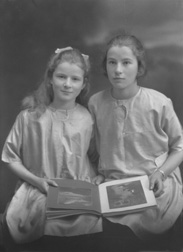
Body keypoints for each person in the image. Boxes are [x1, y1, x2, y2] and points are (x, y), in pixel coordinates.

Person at [1, 47, 103, 250]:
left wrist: (99, 175)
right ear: (50, 78)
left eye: (75, 79)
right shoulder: (30, 117)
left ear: (83, 84)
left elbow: (93, 156)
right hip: (38, 188)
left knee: (86, 228)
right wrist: (37, 181)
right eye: (61, 77)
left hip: (78, 193)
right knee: (35, 225)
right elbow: (9, 157)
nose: (67, 84)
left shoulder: (88, 118)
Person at [88, 32, 183, 249]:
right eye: (112, 62)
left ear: (138, 67)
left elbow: (179, 147)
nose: (118, 70)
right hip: (113, 182)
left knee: (151, 220)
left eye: (126, 62)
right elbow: (92, 149)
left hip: (153, 181)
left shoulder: (159, 102)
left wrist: (161, 173)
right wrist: (96, 173)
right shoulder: (96, 103)